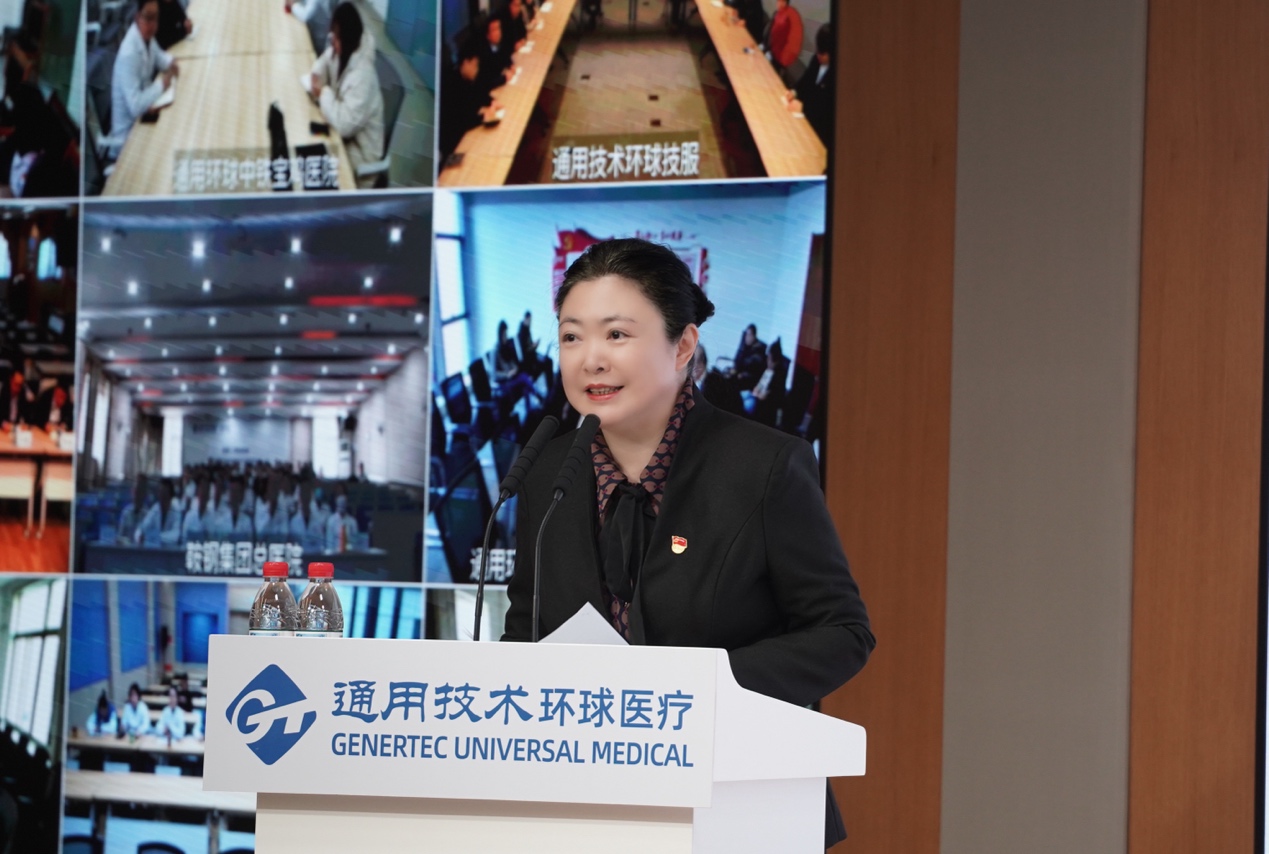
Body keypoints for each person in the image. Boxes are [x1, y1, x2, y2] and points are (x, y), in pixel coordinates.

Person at [501, 239, 873, 848]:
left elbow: (843, 633)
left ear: (683, 346)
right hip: (586, 807)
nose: (591, 359)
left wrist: (698, 690)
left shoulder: (763, 466)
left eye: (616, 335)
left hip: (742, 804)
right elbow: (525, 633)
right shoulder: (547, 473)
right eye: (571, 337)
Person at [309, 2, 384, 188]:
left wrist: (323, 92)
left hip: (359, 154)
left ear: (347, 39)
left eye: (336, 37)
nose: (332, 41)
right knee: (309, 133)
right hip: (342, 134)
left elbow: (343, 125)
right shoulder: (344, 48)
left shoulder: (363, 76)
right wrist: (316, 72)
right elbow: (327, 58)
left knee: (316, 165)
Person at [110, 0, 178, 153]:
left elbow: (159, 56)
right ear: (137, 17)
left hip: (144, 117)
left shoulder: (146, 37)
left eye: (156, 18)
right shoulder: (129, 53)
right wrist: (162, 85)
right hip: (127, 140)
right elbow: (135, 106)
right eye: (148, 18)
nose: (153, 24)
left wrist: (170, 62)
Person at [438, 38, 500, 160]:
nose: (477, 70)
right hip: (453, 145)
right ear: (466, 62)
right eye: (475, 65)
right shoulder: (451, 84)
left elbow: (477, 94)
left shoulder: (465, 78)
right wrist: (483, 117)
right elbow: (461, 120)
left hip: (464, 133)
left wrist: (491, 101)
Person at [786, 23, 832, 146]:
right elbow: (805, 81)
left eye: (823, 53)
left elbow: (825, 110)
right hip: (802, 117)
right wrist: (794, 92)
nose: (819, 56)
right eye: (818, 51)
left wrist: (804, 108)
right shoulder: (815, 60)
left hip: (818, 131)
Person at [475, 14, 514, 100]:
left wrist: (510, 64)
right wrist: (504, 78)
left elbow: (505, 56)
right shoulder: (483, 53)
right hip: (491, 92)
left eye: (499, 28)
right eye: (494, 30)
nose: (498, 32)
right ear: (487, 35)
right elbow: (486, 82)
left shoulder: (499, 42)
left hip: (503, 83)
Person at [762, 0, 803, 75]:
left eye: (782, 2)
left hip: (778, 56)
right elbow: (769, 32)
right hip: (768, 50)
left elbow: (779, 39)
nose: (779, 4)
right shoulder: (776, 14)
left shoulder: (786, 19)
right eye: (779, 1)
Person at [136, 477, 181, 546]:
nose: (162, 498)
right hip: (155, 548)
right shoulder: (156, 508)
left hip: (171, 549)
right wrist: (140, 535)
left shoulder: (176, 509)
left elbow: (176, 535)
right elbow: (143, 527)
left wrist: (156, 537)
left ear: (170, 496)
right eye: (160, 493)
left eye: (164, 495)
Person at [730, 323, 767, 390]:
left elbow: (751, 367)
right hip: (739, 377)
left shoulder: (759, 349)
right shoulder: (746, 348)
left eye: (749, 335)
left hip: (749, 382)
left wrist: (741, 374)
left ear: (754, 336)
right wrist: (741, 346)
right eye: (746, 335)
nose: (747, 338)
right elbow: (737, 362)